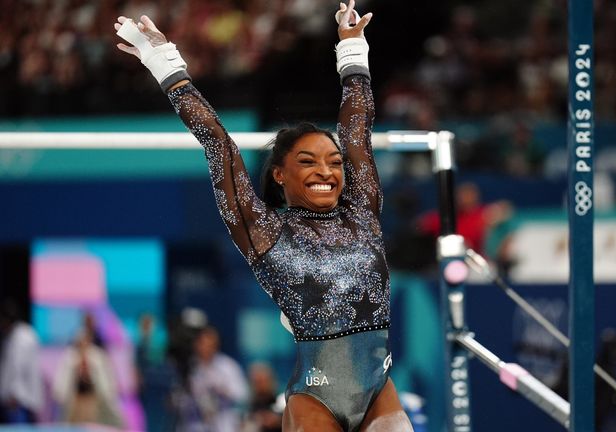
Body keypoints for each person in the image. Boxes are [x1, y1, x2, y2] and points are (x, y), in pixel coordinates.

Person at [114, 2, 413, 430]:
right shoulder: (264, 231)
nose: (326, 172)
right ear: (279, 174)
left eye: (333, 162)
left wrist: (352, 53)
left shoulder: (362, 209)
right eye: (308, 162)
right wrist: (165, 63)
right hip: (316, 396)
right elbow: (219, 143)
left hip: (379, 389)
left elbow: (357, 132)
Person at [52, 330, 123, 427]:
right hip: (76, 402)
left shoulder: (97, 357)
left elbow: (105, 380)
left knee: (93, 425)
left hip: (92, 401)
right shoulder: (70, 357)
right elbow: (63, 380)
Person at [186, 326, 248, 432]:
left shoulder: (228, 366)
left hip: (223, 424)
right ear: (197, 345)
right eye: (203, 344)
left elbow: (243, 394)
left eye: (211, 344)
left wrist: (223, 390)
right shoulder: (190, 367)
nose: (207, 348)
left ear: (216, 345)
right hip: (195, 425)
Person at [0, 301, 43, 424]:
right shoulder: (11, 337)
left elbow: (18, 368)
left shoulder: (22, 337)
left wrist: (14, 394)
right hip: (15, 399)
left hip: (18, 400)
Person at [243, 363, 282, 432]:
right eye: (257, 382)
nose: (261, 385)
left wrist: (278, 420)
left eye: (263, 381)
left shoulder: (283, 400)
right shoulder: (247, 405)